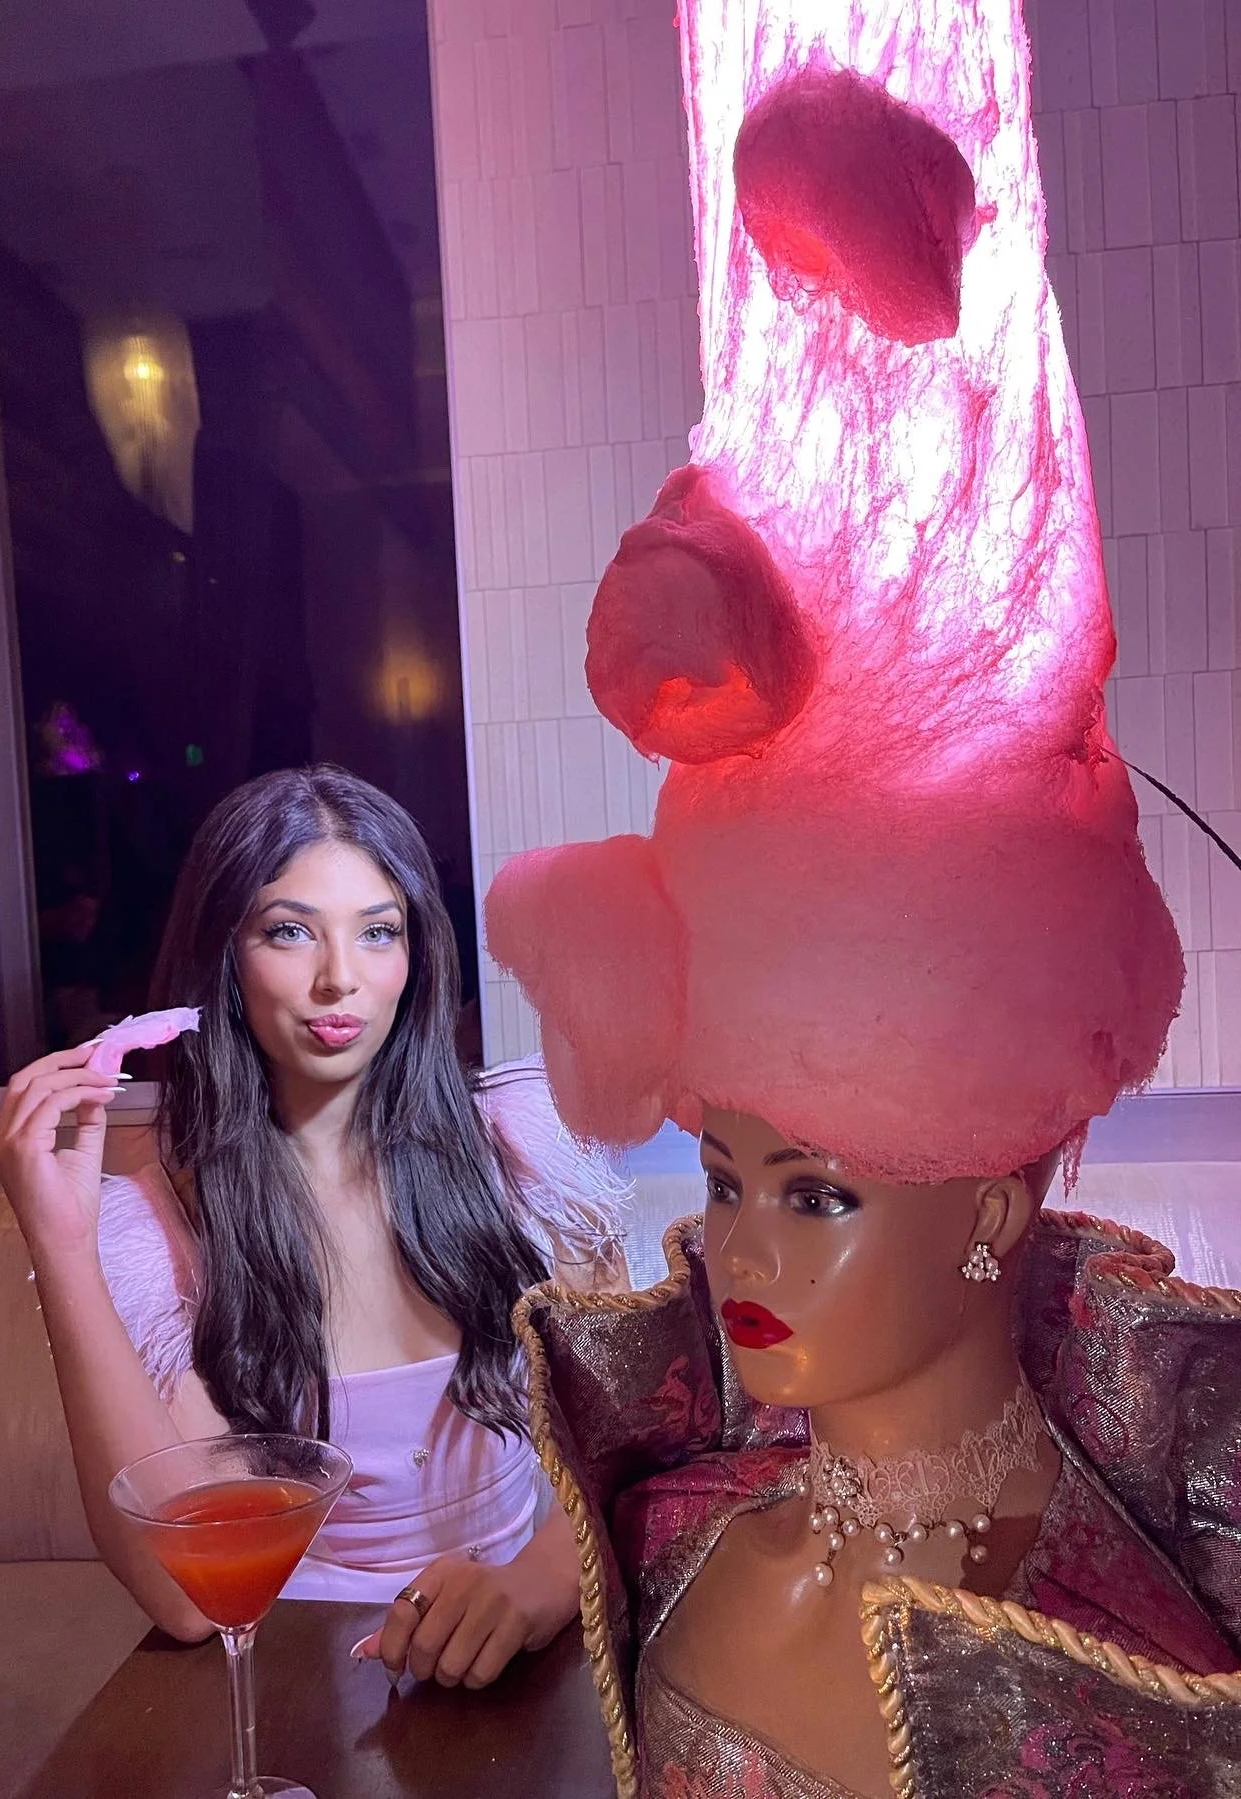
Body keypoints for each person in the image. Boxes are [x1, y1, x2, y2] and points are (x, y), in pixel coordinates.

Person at [486, 0, 1241, 1791]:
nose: (734, 1246)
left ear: (995, 1197)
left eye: (814, 1184)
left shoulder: (1110, 1686)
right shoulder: (680, 1525)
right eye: (733, 1170)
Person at [0, 764, 629, 1690]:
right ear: (224, 959)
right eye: (290, 932)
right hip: (291, 1694)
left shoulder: (526, 1159)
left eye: (379, 932)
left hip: (519, 1678)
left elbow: (632, 1453)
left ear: (416, 957)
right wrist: (61, 1244)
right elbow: (185, 1597)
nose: (341, 980)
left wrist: (534, 1585)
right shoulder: (165, 1231)